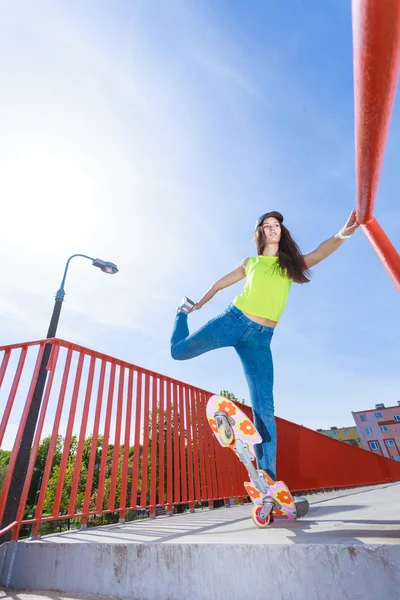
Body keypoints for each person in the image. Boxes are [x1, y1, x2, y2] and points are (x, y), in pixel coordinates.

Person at [170, 209, 359, 483]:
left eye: (277, 225)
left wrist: (344, 233)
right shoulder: (251, 262)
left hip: (260, 339)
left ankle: (267, 478)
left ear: (282, 232)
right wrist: (198, 304)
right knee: (179, 352)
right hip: (232, 320)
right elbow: (221, 283)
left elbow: (320, 252)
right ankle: (180, 313)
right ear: (260, 232)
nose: (273, 228)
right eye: (267, 225)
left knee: (264, 407)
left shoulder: (289, 265)